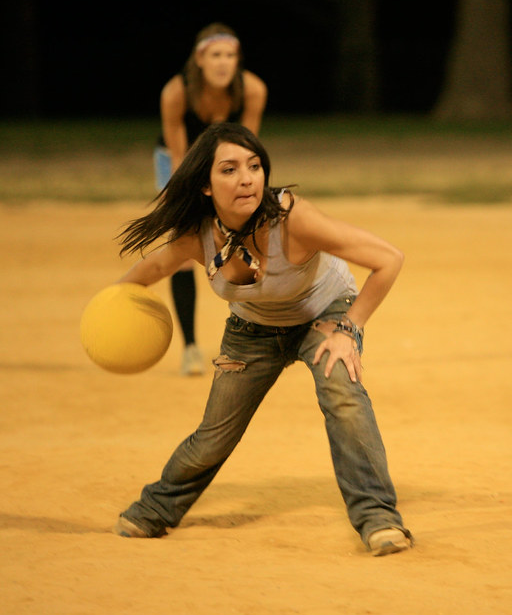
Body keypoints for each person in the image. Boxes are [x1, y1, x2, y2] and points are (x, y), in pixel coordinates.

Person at [112, 122, 413, 556]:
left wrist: (350, 329)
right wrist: (109, 307)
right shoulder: (199, 234)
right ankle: (155, 509)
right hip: (251, 330)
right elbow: (153, 270)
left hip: (323, 315)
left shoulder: (293, 219)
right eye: (229, 169)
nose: (247, 179)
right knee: (214, 435)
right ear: (205, 186)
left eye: (254, 166)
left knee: (342, 395)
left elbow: (388, 259)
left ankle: (379, 519)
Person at [154, 22, 268, 375]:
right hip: (178, 162)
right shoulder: (176, 92)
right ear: (199, 60)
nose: (223, 62)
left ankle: (256, 338)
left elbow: (246, 151)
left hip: (228, 163)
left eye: (230, 55)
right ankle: (190, 347)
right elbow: (179, 158)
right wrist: (192, 205)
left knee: (249, 242)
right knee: (184, 245)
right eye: (216, 55)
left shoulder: (252, 89)